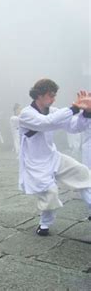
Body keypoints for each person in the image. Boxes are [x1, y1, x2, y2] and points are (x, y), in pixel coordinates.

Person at [18, 79, 91, 236]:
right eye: (50, 95)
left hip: (53, 157)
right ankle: (44, 225)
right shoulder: (26, 114)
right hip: (36, 163)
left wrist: (86, 112)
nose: (53, 99)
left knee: (82, 172)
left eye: (54, 95)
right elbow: (45, 123)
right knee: (50, 193)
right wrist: (73, 108)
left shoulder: (53, 111)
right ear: (39, 95)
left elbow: (74, 127)